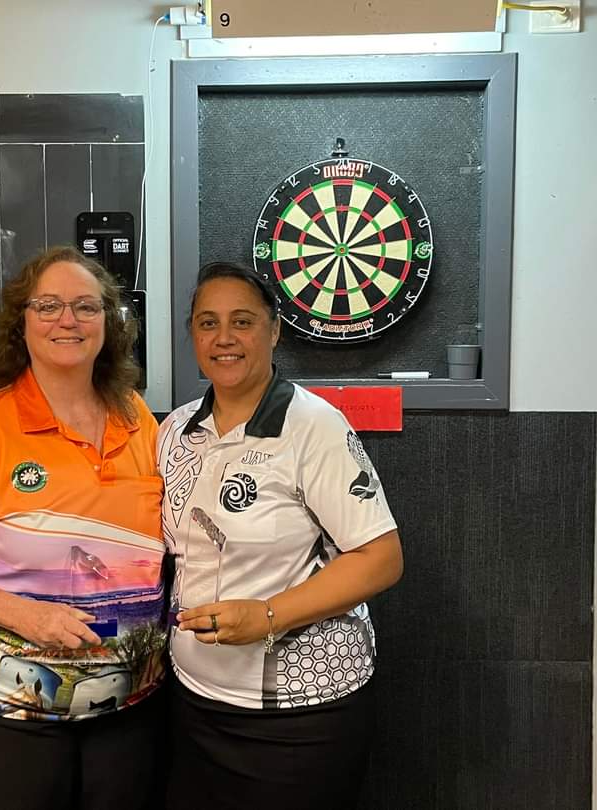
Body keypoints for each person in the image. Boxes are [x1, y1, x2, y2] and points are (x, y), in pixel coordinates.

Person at [0, 246, 167, 810]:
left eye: (85, 307)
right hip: (1, 716)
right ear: (21, 323)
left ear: (110, 323)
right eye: (48, 305)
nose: (67, 320)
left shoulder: (139, 420)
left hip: (125, 716)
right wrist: (30, 616)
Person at [157, 261, 405, 810]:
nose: (224, 338)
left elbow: (381, 558)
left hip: (299, 716)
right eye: (207, 323)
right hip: (195, 702)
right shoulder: (175, 430)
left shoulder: (313, 425)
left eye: (242, 322)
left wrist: (267, 615)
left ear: (273, 331)